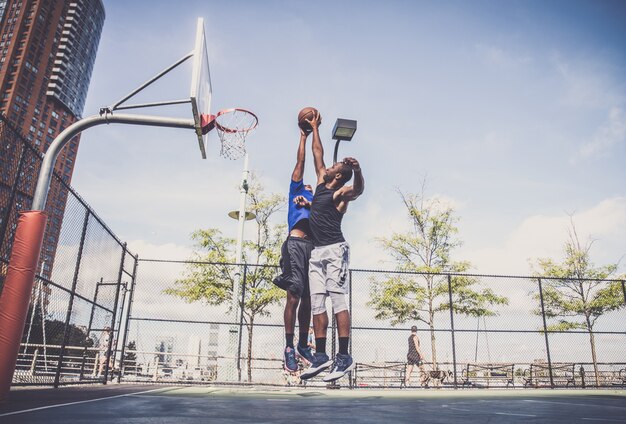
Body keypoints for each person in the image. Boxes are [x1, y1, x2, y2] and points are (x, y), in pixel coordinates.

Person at [299, 110, 365, 382]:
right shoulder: (321, 187)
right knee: (316, 303)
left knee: (337, 299)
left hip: (335, 250)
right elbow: (317, 153)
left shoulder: (340, 194)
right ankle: (322, 356)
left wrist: (358, 170)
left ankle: (345, 356)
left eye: (334, 167)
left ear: (339, 176)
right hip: (316, 252)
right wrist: (314, 128)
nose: (328, 166)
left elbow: (358, 190)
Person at [273, 124, 317, 372]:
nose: (309, 187)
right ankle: (289, 346)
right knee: (294, 295)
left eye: (312, 187)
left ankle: (302, 344)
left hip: (314, 248)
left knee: (310, 300)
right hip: (295, 244)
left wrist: (312, 205)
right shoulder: (296, 192)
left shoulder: (318, 201)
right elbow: (301, 162)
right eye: (306, 186)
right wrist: (303, 136)